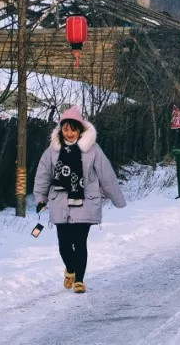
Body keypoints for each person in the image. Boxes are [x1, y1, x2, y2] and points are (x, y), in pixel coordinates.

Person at [33, 107, 126, 294]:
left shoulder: (92, 150)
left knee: (79, 242)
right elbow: (43, 175)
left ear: (81, 130)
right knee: (64, 244)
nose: (69, 133)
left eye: (73, 129)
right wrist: (41, 198)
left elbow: (106, 174)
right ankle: (70, 269)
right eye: (65, 129)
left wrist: (117, 199)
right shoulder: (52, 151)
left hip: (86, 202)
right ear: (61, 129)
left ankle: (80, 281)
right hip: (60, 202)